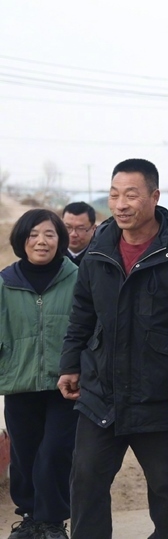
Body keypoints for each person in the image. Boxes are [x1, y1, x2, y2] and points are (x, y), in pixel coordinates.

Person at [58, 158, 168, 539]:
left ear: (154, 196)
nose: (120, 205)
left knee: (167, 486)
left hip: (158, 395)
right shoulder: (99, 249)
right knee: (86, 480)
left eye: (131, 195)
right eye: (114, 195)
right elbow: (82, 312)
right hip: (101, 392)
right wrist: (70, 363)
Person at [1, 209, 79, 539]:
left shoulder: (78, 278)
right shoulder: (5, 282)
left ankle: (53, 521)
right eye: (33, 235)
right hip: (19, 383)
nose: (41, 241)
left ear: (60, 240)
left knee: (55, 452)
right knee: (24, 455)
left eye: (49, 234)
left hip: (66, 385)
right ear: (21, 240)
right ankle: (31, 518)